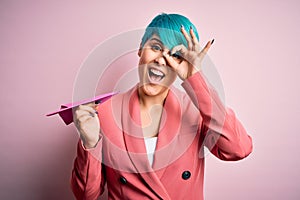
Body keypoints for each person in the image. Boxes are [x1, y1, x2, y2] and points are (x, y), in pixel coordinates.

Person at [71, 13, 253, 200]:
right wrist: (90, 143)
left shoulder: (197, 111)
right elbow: (86, 195)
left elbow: (238, 149)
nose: (161, 60)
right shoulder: (106, 113)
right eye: (156, 47)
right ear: (141, 49)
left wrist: (195, 78)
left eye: (176, 55)